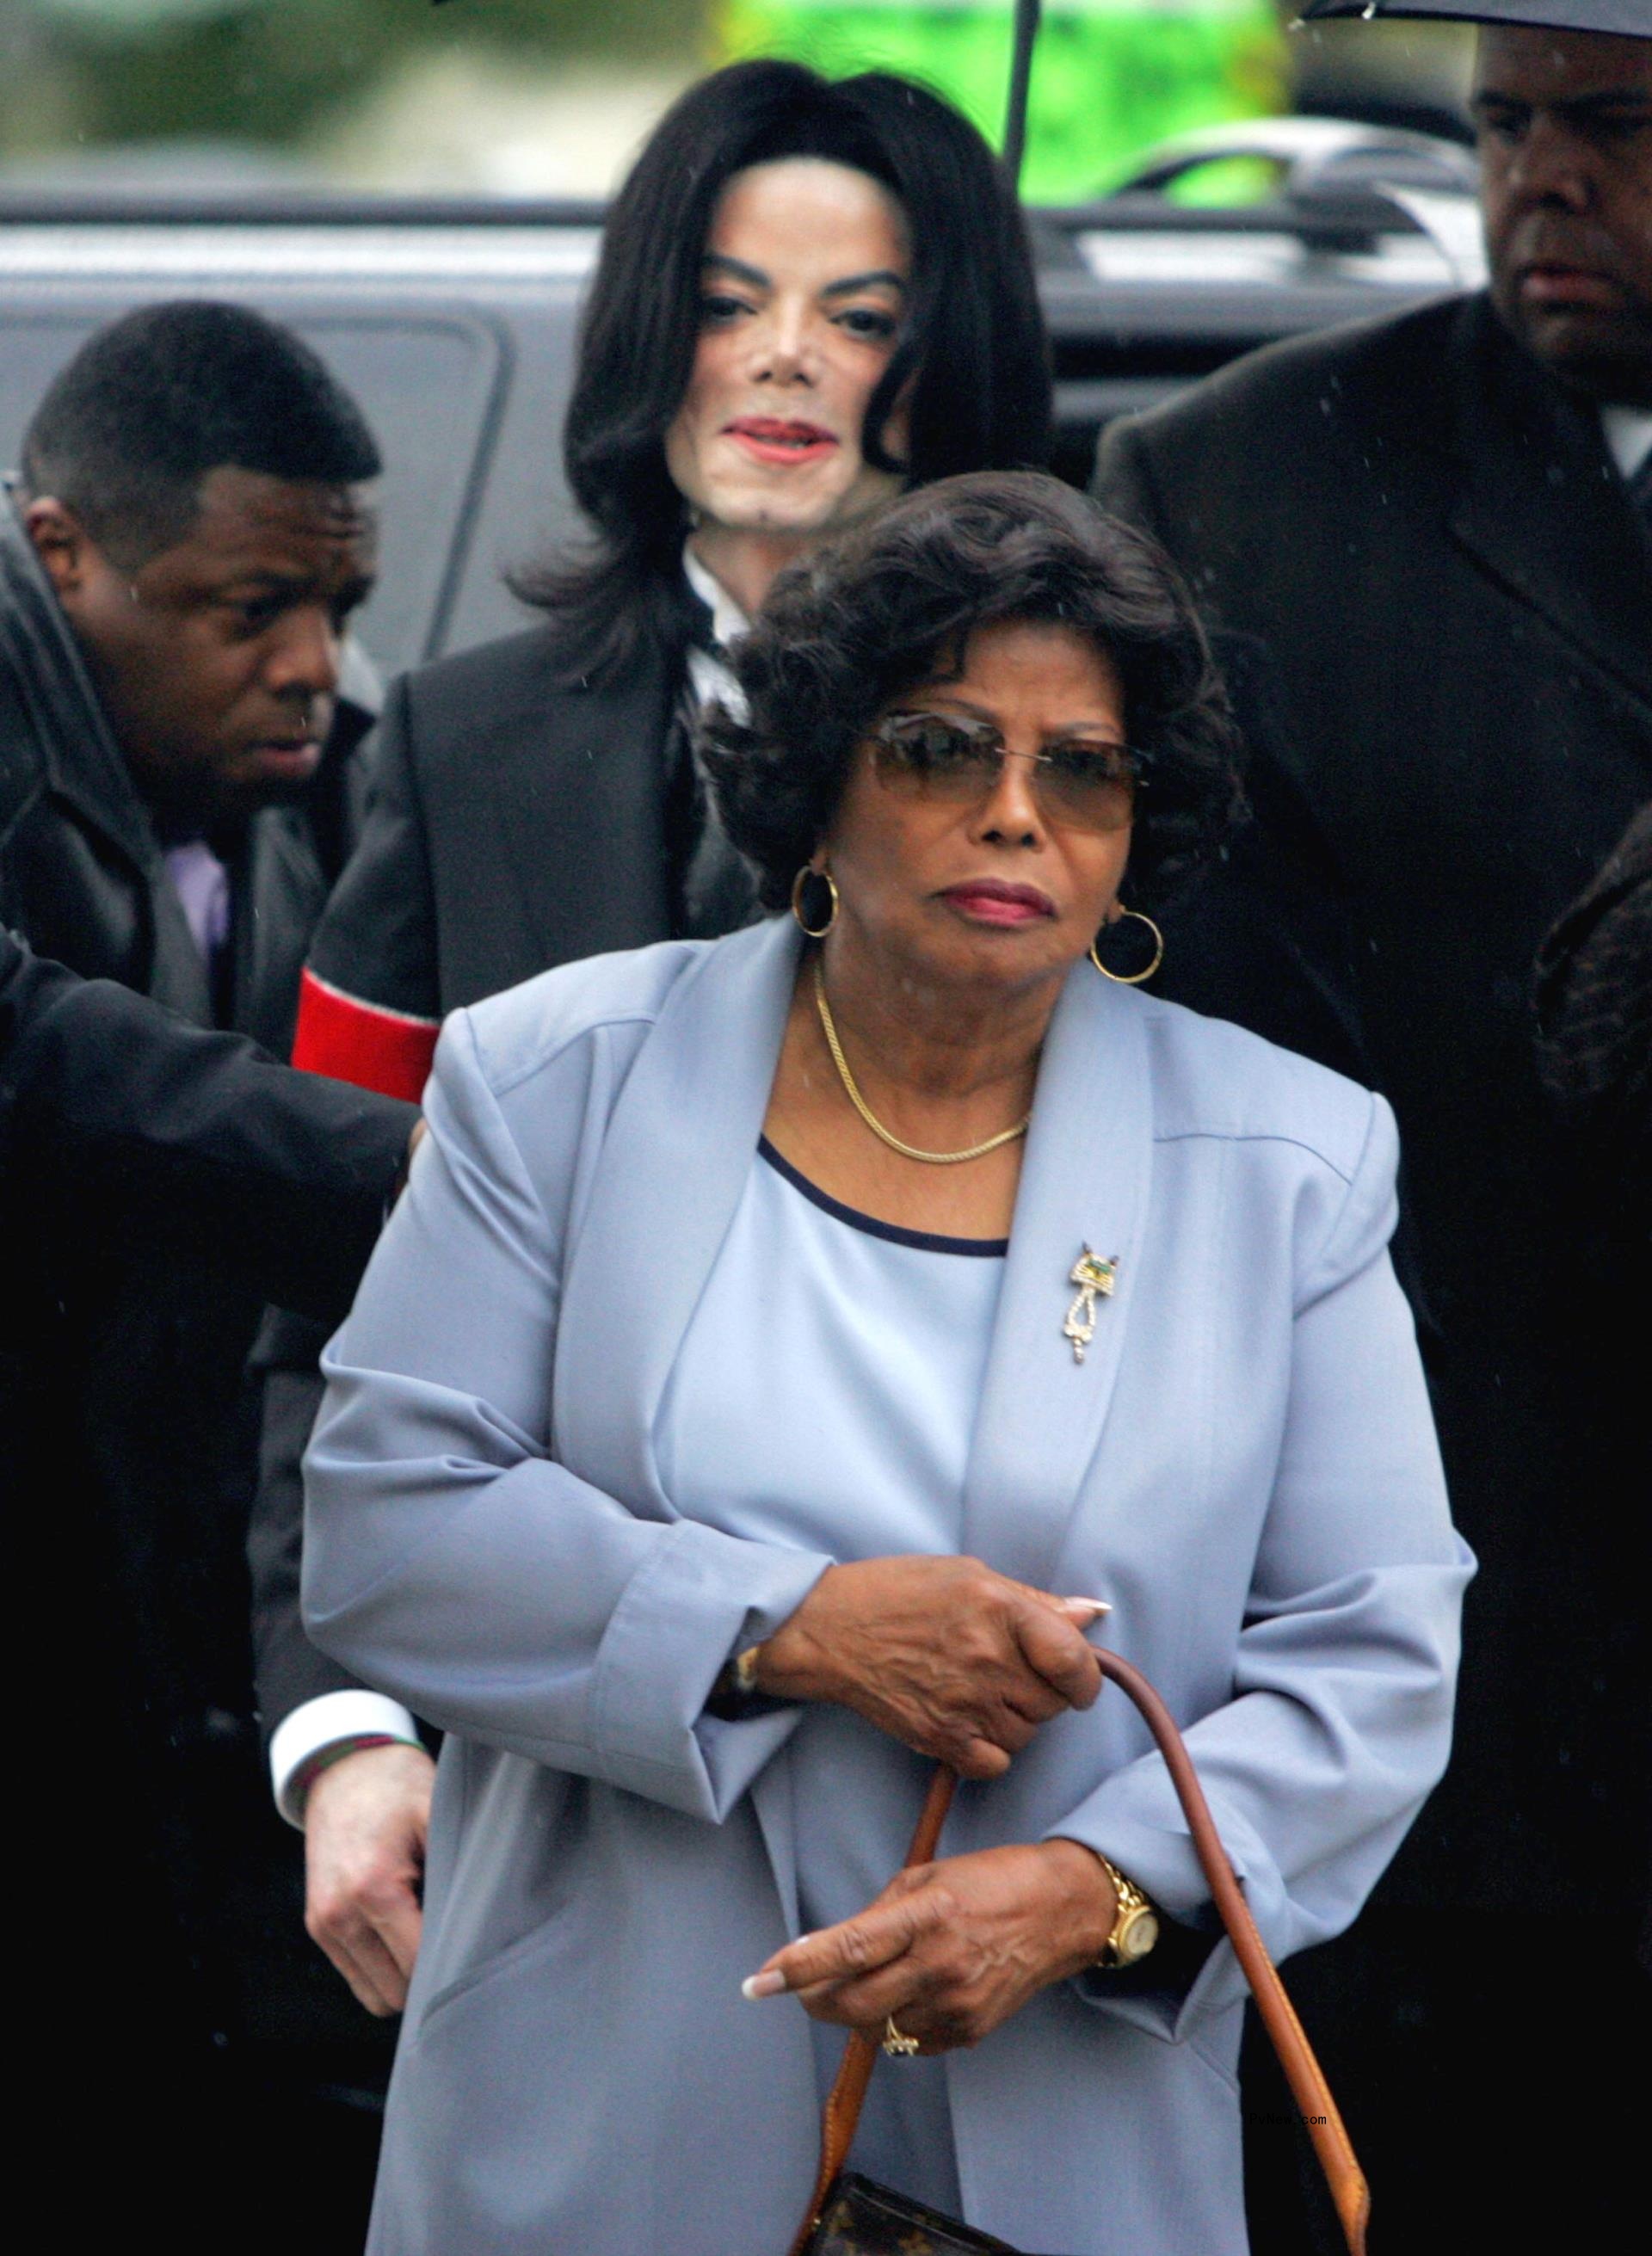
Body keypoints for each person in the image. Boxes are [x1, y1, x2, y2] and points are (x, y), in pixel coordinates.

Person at [300, 472, 1470, 2256]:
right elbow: (388, 1527)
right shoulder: (558, 1081)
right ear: (819, 781)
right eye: (939, 748)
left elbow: (1375, 1661)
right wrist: (795, 1627)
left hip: (1049, 2115)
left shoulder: (1286, 1163)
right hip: (596, 2106)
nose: (1016, 814)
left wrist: (1094, 1889)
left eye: (1082, 768)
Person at [1094, 10, 1651, 2242]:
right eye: (1505, 127)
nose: (1542, 182)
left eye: (1612, 129)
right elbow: (1207, 1091)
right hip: (1467, 1625)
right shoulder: (1251, 476)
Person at [0, 301, 392, 2241]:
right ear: (58, 553)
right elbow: (45, 1055)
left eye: (339, 603)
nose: (314, 666)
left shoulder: (350, 774)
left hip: (199, 1698)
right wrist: (424, 1178)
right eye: (248, 609)